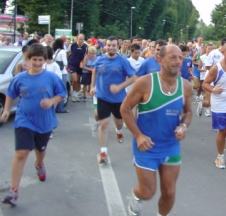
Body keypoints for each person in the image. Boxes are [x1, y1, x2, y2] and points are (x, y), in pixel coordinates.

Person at [120, 45, 192, 216]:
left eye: (180, 58)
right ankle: (136, 197)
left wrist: (183, 126)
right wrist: (138, 136)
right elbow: (125, 109)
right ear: (159, 60)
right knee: (148, 192)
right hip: (147, 146)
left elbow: (188, 112)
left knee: (169, 192)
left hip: (170, 145)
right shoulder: (145, 83)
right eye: (172, 58)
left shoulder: (186, 86)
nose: (177, 62)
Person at [0, 44, 66, 206]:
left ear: (44, 60)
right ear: (28, 60)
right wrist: (6, 110)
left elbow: (62, 94)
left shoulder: (51, 78)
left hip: (44, 122)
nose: (37, 63)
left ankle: (39, 164)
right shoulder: (20, 78)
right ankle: (13, 191)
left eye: (40, 60)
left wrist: (52, 101)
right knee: (21, 153)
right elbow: (10, 94)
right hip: (24, 119)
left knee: (40, 150)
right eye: (34, 59)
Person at [90, 36, 136, 164]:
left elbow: (133, 78)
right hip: (102, 97)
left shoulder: (123, 61)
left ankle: (119, 131)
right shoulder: (100, 60)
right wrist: (93, 86)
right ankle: (103, 152)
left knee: (119, 122)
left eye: (114, 45)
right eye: (109, 45)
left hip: (118, 99)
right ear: (105, 46)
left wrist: (119, 87)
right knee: (104, 124)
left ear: (118, 47)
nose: (111, 47)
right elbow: (95, 71)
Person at [67, 34, 87, 102]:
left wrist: (83, 63)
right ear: (77, 39)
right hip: (72, 64)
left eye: (82, 39)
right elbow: (68, 53)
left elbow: (85, 56)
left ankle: (77, 93)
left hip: (79, 65)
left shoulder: (85, 46)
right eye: (80, 39)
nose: (81, 40)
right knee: (74, 79)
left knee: (78, 80)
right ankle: (74, 94)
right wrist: (68, 62)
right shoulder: (72, 45)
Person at [52, 38, 68, 113]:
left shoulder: (54, 52)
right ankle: (60, 108)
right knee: (62, 90)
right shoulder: (62, 51)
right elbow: (65, 63)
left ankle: (54, 107)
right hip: (62, 72)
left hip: (55, 72)